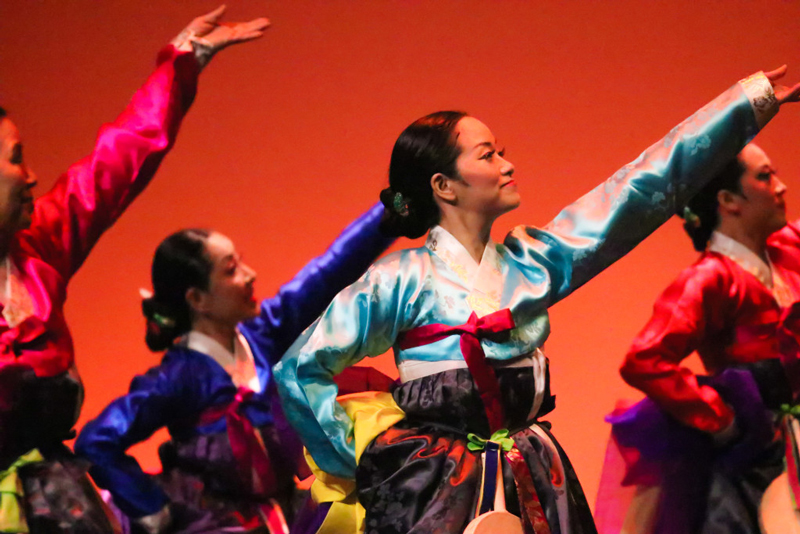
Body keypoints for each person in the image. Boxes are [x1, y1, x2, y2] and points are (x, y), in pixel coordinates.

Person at [274, 68, 800, 534]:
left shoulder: (532, 265)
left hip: (535, 474)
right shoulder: (399, 281)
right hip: (428, 485)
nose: (507, 164)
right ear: (444, 186)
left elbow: (634, 192)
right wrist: (357, 460)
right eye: (488, 155)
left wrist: (745, 105)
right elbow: (300, 368)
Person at [0, 6, 269, 533]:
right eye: (15, 158)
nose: (31, 175)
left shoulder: (37, 251)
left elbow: (115, 161)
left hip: (57, 506)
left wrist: (182, 61)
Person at [75, 209, 395, 534]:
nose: (250, 275)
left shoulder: (264, 335)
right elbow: (97, 441)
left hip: (287, 514)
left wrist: (391, 212)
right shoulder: (180, 377)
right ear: (197, 298)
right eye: (231, 270)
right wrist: (150, 506)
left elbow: (328, 271)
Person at [595, 143, 800, 534]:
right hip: (755, 458)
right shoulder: (710, 279)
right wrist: (720, 417)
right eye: (765, 176)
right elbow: (645, 359)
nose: (781, 186)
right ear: (728, 200)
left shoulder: (788, 248)